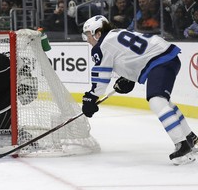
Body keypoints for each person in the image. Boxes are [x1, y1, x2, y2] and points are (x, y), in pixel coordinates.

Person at [81, 15, 198, 165]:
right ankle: (190, 138)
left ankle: (183, 147)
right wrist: (128, 78)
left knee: (157, 101)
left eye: (88, 35)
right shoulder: (116, 34)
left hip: (160, 61)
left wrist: (91, 97)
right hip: (167, 57)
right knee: (164, 102)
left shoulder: (102, 45)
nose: (88, 40)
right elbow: (133, 57)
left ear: (97, 33)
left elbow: (101, 78)